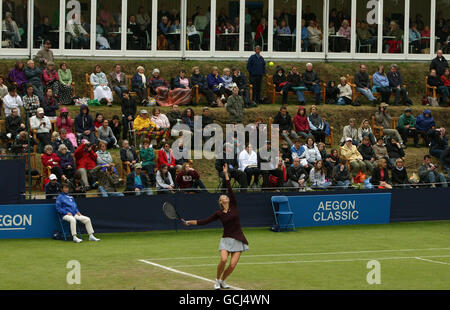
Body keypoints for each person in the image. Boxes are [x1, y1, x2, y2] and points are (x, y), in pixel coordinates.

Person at [184, 164, 249, 290]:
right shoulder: (218, 214)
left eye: (226, 196)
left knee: (232, 265)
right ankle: (217, 280)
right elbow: (204, 221)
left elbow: (230, 188)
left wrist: (226, 174)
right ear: (221, 202)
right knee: (224, 260)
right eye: (222, 197)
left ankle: (223, 281)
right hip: (226, 239)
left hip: (239, 239)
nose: (225, 197)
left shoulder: (234, 206)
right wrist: (190, 222)